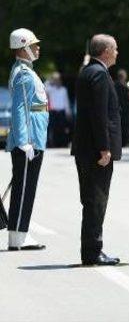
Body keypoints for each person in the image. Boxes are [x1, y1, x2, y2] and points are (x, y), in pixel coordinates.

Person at [71, 34, 122, 266]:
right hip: (95, 150)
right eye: (115, 49)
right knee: (96, 201)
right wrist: (104, 148)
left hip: (84, 148)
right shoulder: (100, 75)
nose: (117, 53)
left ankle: (90, 250)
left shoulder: (87, 71)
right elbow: (99, 115)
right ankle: (93, 251)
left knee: (90, 200)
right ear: (105, 51)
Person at [6, 28, 49, 251]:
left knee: (26, 188)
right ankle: (18, 237)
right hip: (29, 140)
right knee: (24, 190)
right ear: (23, 48)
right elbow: (20, 109)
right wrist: (24, 141)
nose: (37, 48)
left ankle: (20, 233)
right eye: (33, 45)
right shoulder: (23, 73)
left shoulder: (26, 71)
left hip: (34, 137)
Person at [45, 72, 72, 147]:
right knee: (53, 128)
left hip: (61, 112)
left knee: (62, 129)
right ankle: (53, 144)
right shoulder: (50, 89)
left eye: (58, 79)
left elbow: (66, 101)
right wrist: (50, 81)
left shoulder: (63, 89)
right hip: (53, 111)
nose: (57, 81)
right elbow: (45, 87)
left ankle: (62, 144)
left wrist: (68, 111)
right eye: (55, 79)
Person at [115, 69, 129, 146]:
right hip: (125, 109)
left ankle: (118, 142)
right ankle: (126, 142)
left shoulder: (114, 85)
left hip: (117, 108)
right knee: (126, 126)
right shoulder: (126, 86)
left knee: (118, 126)